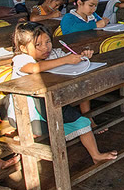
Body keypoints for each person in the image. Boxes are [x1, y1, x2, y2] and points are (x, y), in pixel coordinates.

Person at [6, 22, 116, 163]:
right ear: (23, 48)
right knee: (54, 127)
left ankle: (96, 155)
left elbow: (69, 61)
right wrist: (65, 60)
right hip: (28, 114)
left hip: (52, 105)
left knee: (83, 122)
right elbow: (34, 68)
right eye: (38, 45)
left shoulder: (54, 54)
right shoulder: (21, 59)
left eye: (48, 42)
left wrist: (81, 57)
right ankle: (27, 139)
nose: (45, 47)